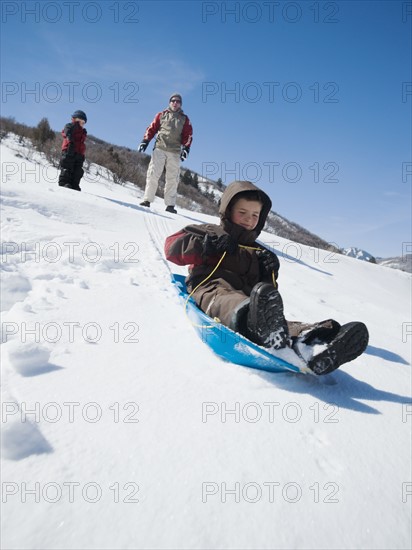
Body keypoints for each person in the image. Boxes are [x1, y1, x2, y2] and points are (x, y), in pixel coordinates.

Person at [164, 180, 369, 375]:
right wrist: (204, 245)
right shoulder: (209, 231)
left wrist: (271, 270)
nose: (249, 219)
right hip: (210, 288)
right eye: (242, 212)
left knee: (274, 320)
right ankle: (254, 324)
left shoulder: (260, 252)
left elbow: (267, 293)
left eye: (255, 215)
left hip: (251, 302)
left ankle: (317, 339)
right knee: (228, 300)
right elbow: (172, 248)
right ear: (227, 211)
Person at [138, 93, 193, 214]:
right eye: (173, 100)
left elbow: (188, 135)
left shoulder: (184, 119)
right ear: (169, 102)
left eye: (178, 101)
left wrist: (186, 149)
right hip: (160, 148)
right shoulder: (161, 115)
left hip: (174, 151)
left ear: (180, 104)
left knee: (172, 179)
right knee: (153, 174)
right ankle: (147, 200)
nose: (175, 103)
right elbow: (152, 128)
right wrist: (145, 141)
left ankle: (170, 205)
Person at [58, 110, 87, 191]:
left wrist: (82, 153)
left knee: (78, 171)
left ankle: (75, 185)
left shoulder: (83, 131)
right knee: (67, 167)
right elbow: (66, 132)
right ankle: (64, 183)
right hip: (69, 151)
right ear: (76, 119)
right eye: (81, 121)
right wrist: (70, 140)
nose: (82, 124)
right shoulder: (70, 126)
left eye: (83, 122)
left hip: (79, 154)